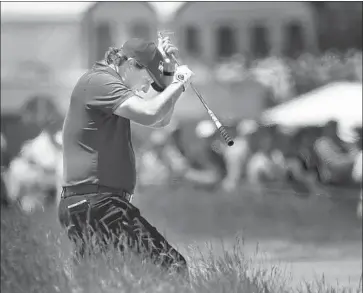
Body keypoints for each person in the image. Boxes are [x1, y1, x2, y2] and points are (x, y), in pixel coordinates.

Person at [58, 36, 194, 276]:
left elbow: (161, 118)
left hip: (91, 204)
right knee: (172, 267)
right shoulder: (100, 82)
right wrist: (179, 82)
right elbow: (151, 111)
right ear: (131, 64)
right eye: (147, 79)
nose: (145, 87)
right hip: (98, 204)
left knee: (103, 281)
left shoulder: (106, 83)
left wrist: (168, 70)